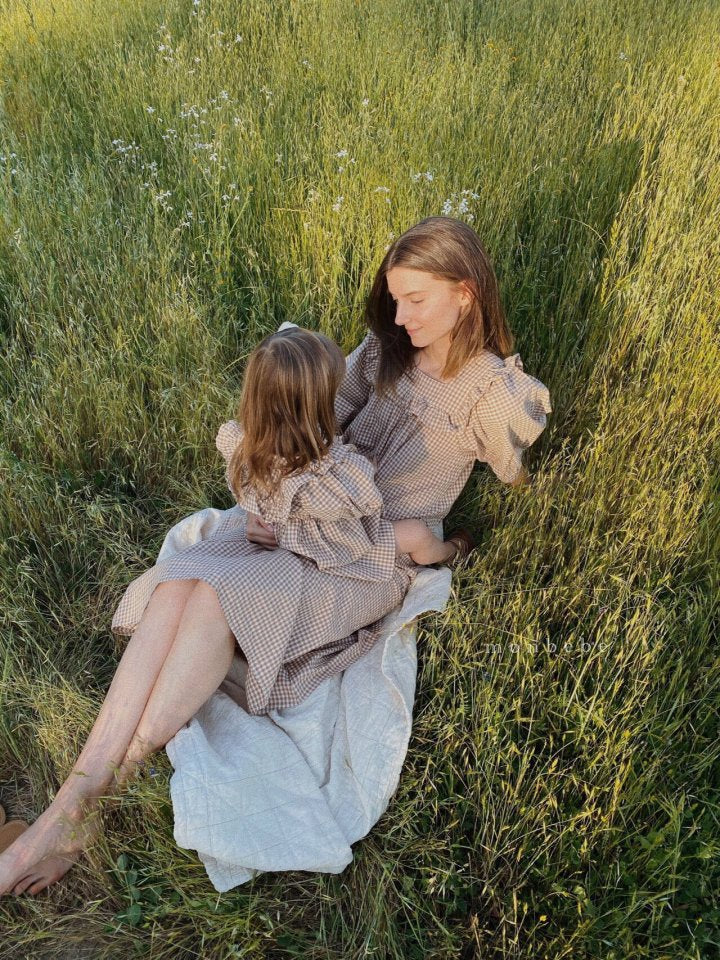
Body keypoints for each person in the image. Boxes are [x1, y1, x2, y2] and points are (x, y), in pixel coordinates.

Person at [0, 215, 551, 897]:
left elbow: (512, 472)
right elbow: (321, 417)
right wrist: (275, 500)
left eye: (417, 299)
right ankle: (74, 804)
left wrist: (454, 512)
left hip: (370, 552)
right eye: (396, 296)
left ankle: (77, 811)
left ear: (465, 294)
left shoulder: (492, 392)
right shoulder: (385, 352)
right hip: (309, 507)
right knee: (184, 586)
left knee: (215, 594)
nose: (400, 314)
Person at [214, 324, 475, 580]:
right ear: (316, 402)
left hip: (281, 527)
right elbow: (365, 498)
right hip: (330, 540)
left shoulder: (248, 444)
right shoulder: (324, 470)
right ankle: (451, 553)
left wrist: (255, 511)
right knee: (417, 534)